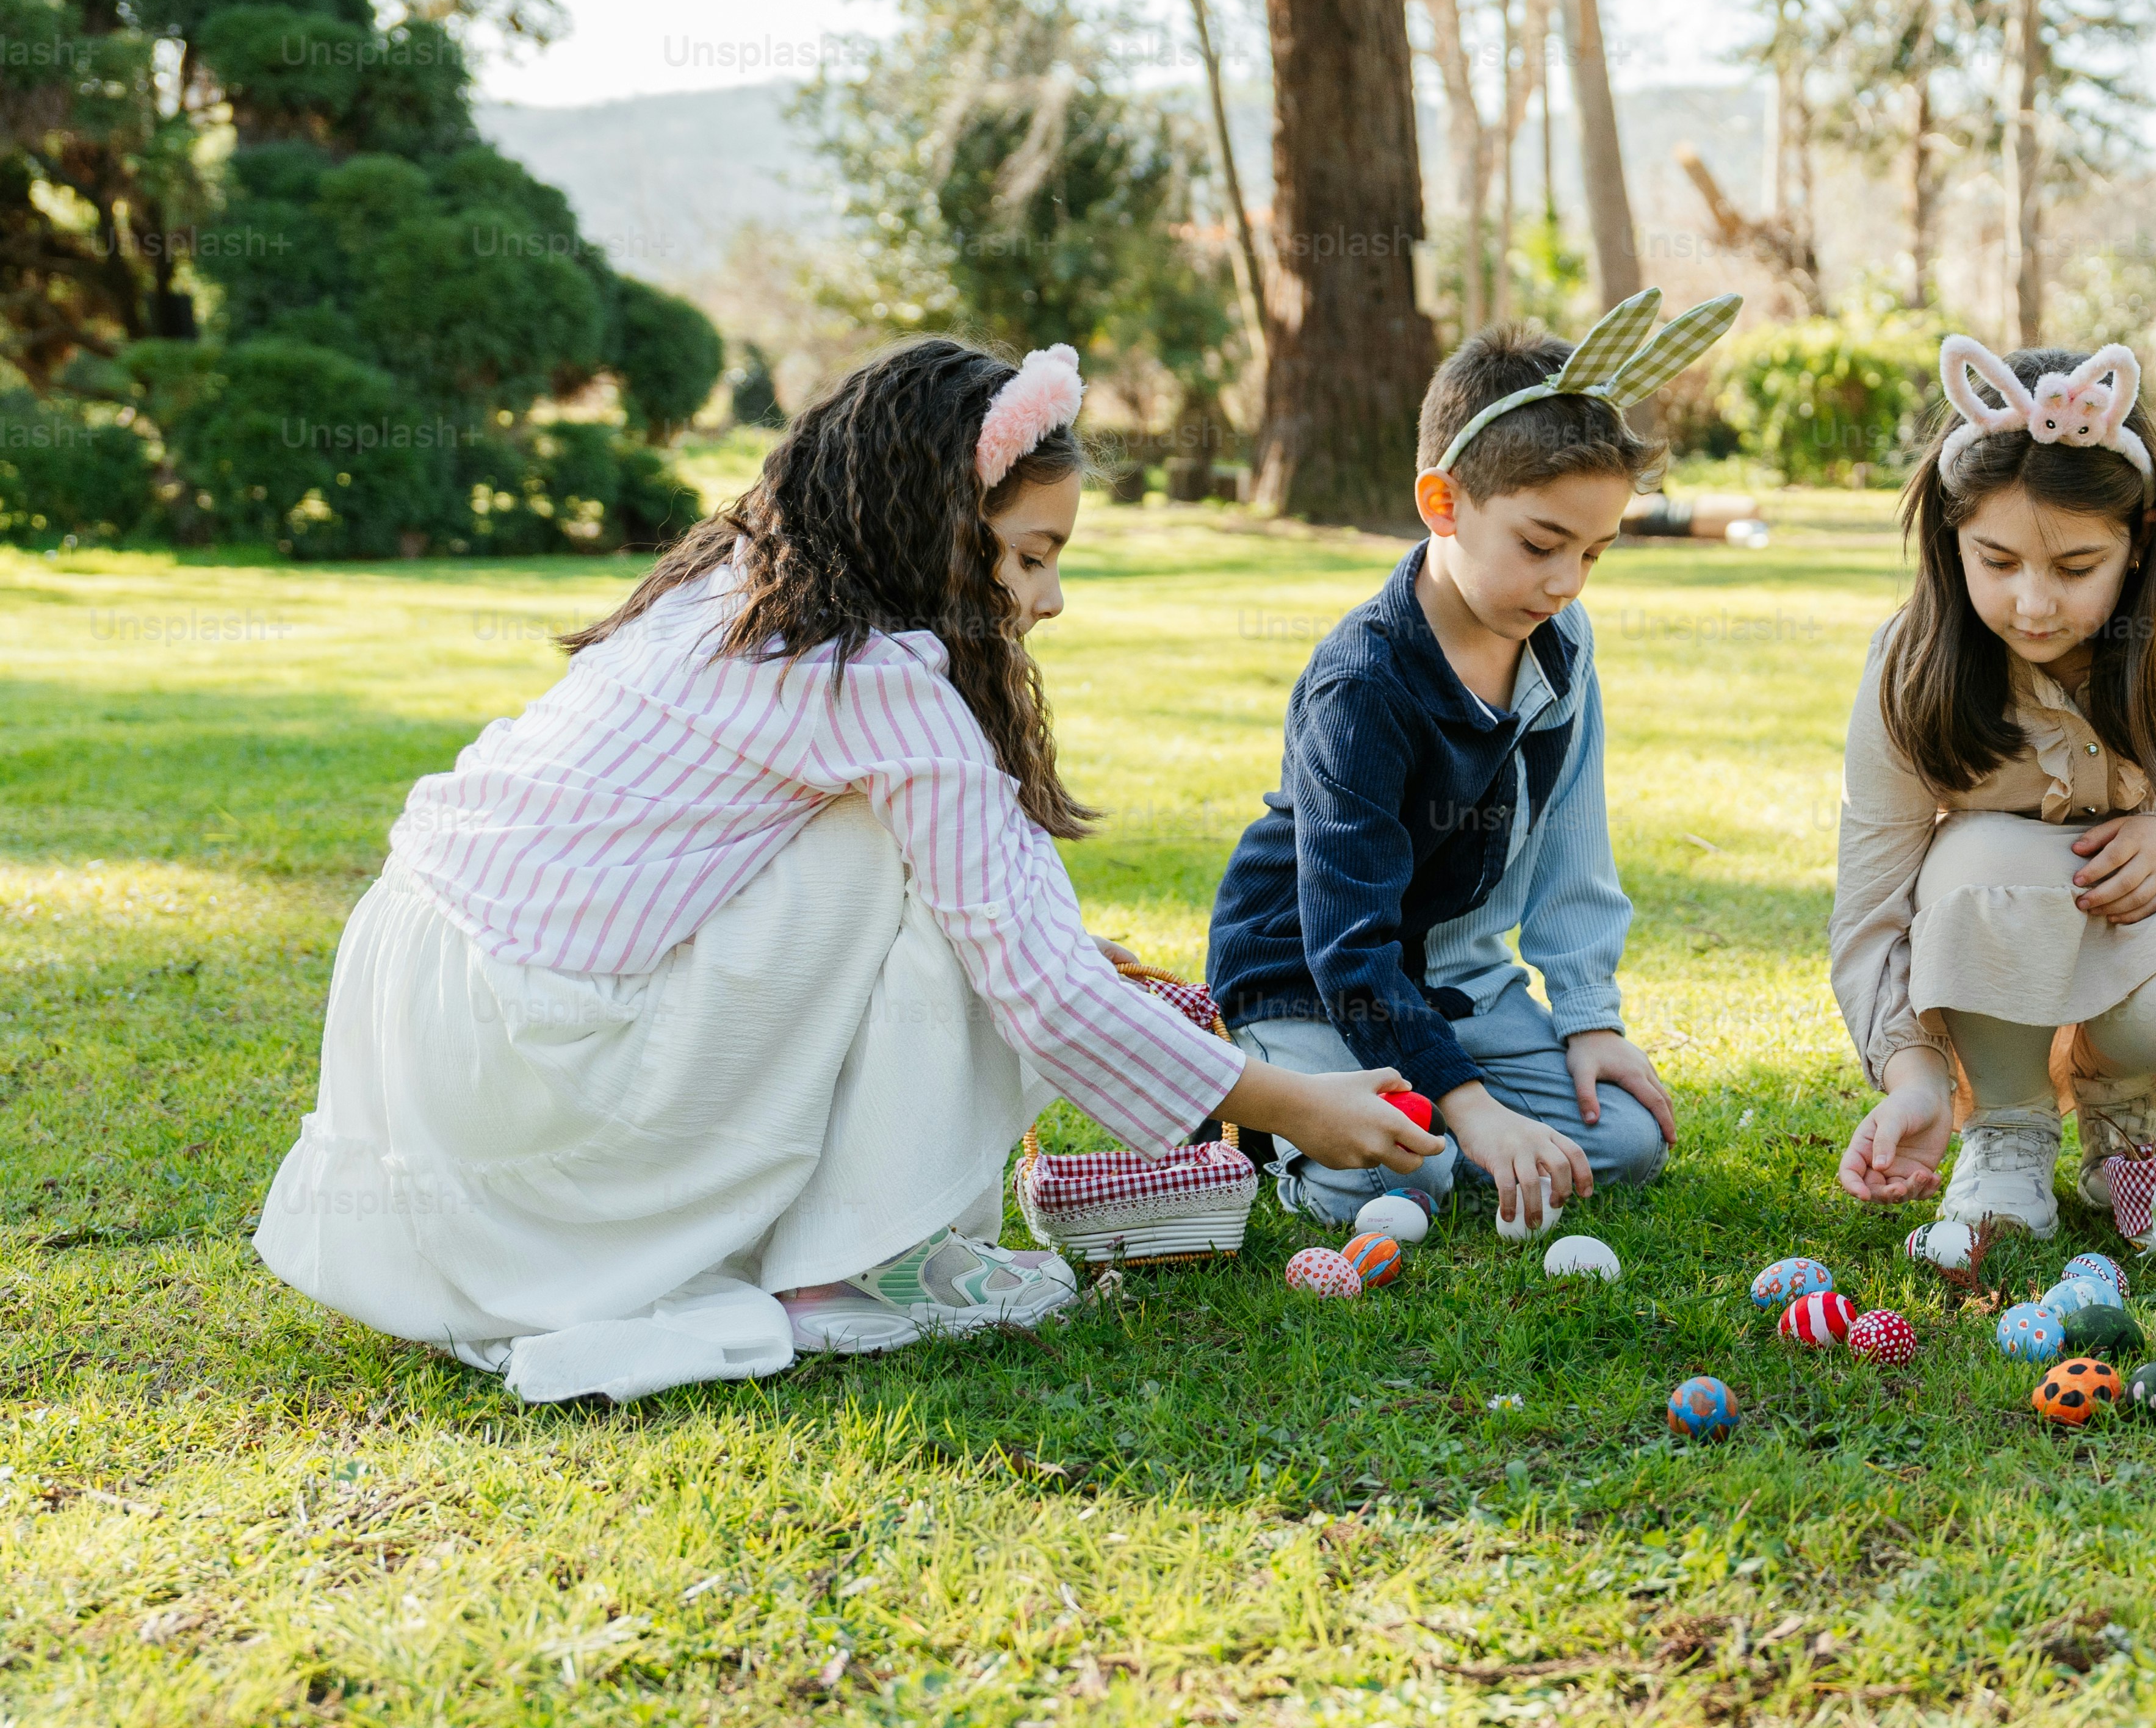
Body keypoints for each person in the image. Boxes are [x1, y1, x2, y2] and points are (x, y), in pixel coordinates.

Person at [254, 339, 1438, 1404]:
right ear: (937, 526)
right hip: (529, 1072)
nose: (1051, 598)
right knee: (927, 870)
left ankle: (831, 1238)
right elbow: (1031, 979)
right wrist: (1292, 1104)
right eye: (1030, 556)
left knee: (962, 877)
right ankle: (859, 1264)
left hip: (432, 1031)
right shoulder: (872, 676)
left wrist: (1066, 951)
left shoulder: (739, 582)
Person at [1205, 290, 1739, 1233]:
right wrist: (1471, 1104)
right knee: (1399, 1183)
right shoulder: (1362, 684)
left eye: (1593, 552)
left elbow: (1576, 845)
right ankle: (1258, 1105)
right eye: (1541, 545)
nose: (1566, 581)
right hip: (1311, 975)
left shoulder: (1561, 642)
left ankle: (1437, 1106)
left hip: (1454, 982)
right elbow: (1346, 943)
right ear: (1443, 503)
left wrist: (1589, 1018)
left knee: (1620, 1140)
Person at [1833, 338, 2156, 1237]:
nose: (2034, 603)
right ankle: (2009, 1127)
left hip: (2148, 910)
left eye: (2075, 567)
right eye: (1998, 560)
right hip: (1998, 929)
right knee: (1978, 858)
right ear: (1952, 538)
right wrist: (1913, 1075)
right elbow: (1870, 901)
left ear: (2138, 546)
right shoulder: (1910, 665)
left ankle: (2125, 1104)